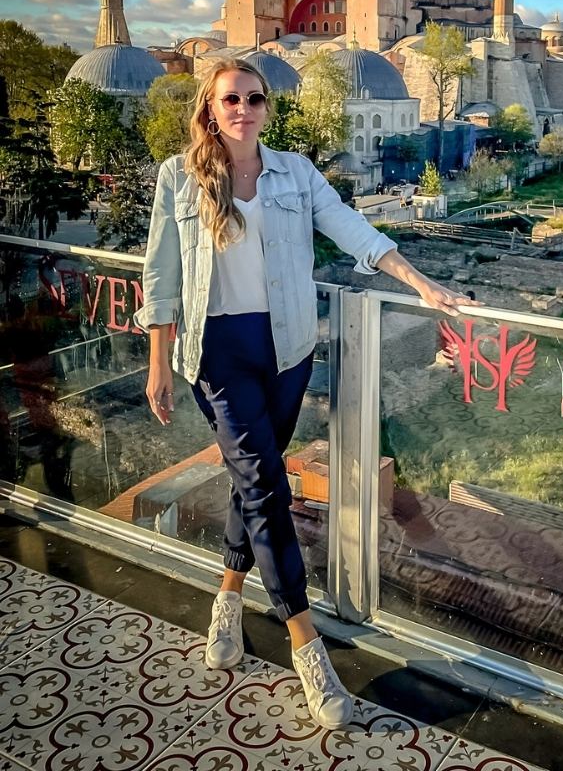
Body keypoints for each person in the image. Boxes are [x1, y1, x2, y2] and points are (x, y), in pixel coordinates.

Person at [134, 58, 472, 730]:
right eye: (230, 98)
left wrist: (421, 284)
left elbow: (354, 231)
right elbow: (161, 277)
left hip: (286, 350)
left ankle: (228, 598)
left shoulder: (295, 172)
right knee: (267, 488)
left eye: (254, 98)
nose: (243, 108)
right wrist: (157, 363)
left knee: (250, 483)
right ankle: (308, 649)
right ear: (210, 108)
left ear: (267, 108)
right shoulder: (179, 178)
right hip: (217, 354)